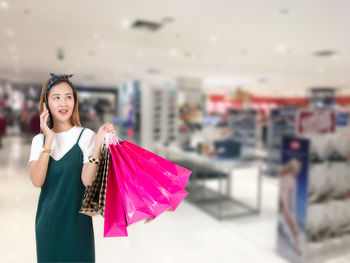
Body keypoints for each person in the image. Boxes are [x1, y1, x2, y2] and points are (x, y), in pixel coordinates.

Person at [28, 73, 116, 263]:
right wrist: (49, 139)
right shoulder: (39, 141)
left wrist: (97, 145)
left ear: (74, 101)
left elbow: (87, 180)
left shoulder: (86, 136)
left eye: (68, 97)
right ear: (46, 104)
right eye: (56, 98)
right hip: (48, 226)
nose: (63, 103)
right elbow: (37, 180)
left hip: (78, 226)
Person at [278, 158, 302, 255]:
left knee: (292, 224)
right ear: (293, 169)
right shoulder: (286, 177)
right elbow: (282, 192)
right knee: (292, 225)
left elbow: (292, 197)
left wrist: (290, 208)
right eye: (296, 170)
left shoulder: (291, 180)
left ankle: (297, 246)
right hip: (284, 203)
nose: (297, 172)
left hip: (286, 205)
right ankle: (297, 246)